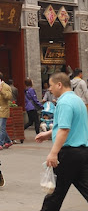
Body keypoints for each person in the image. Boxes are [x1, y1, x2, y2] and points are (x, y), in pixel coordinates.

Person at [36, 72, 88, 210]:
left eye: (51, 86)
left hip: (68, 154)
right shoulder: (78, 100)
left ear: (59, 84)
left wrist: (53, 153)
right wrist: (48, 134)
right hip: (82, 152)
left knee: (54, 194)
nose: (50, 89)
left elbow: (64, 130)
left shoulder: (64, 102)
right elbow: (71, 126)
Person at [0, 71, 13, 149]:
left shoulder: (6, 86)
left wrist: (2, 91)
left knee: (1, 127)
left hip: (3, 109)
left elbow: (9, 97)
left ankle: (0, 143)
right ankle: (8, 141)